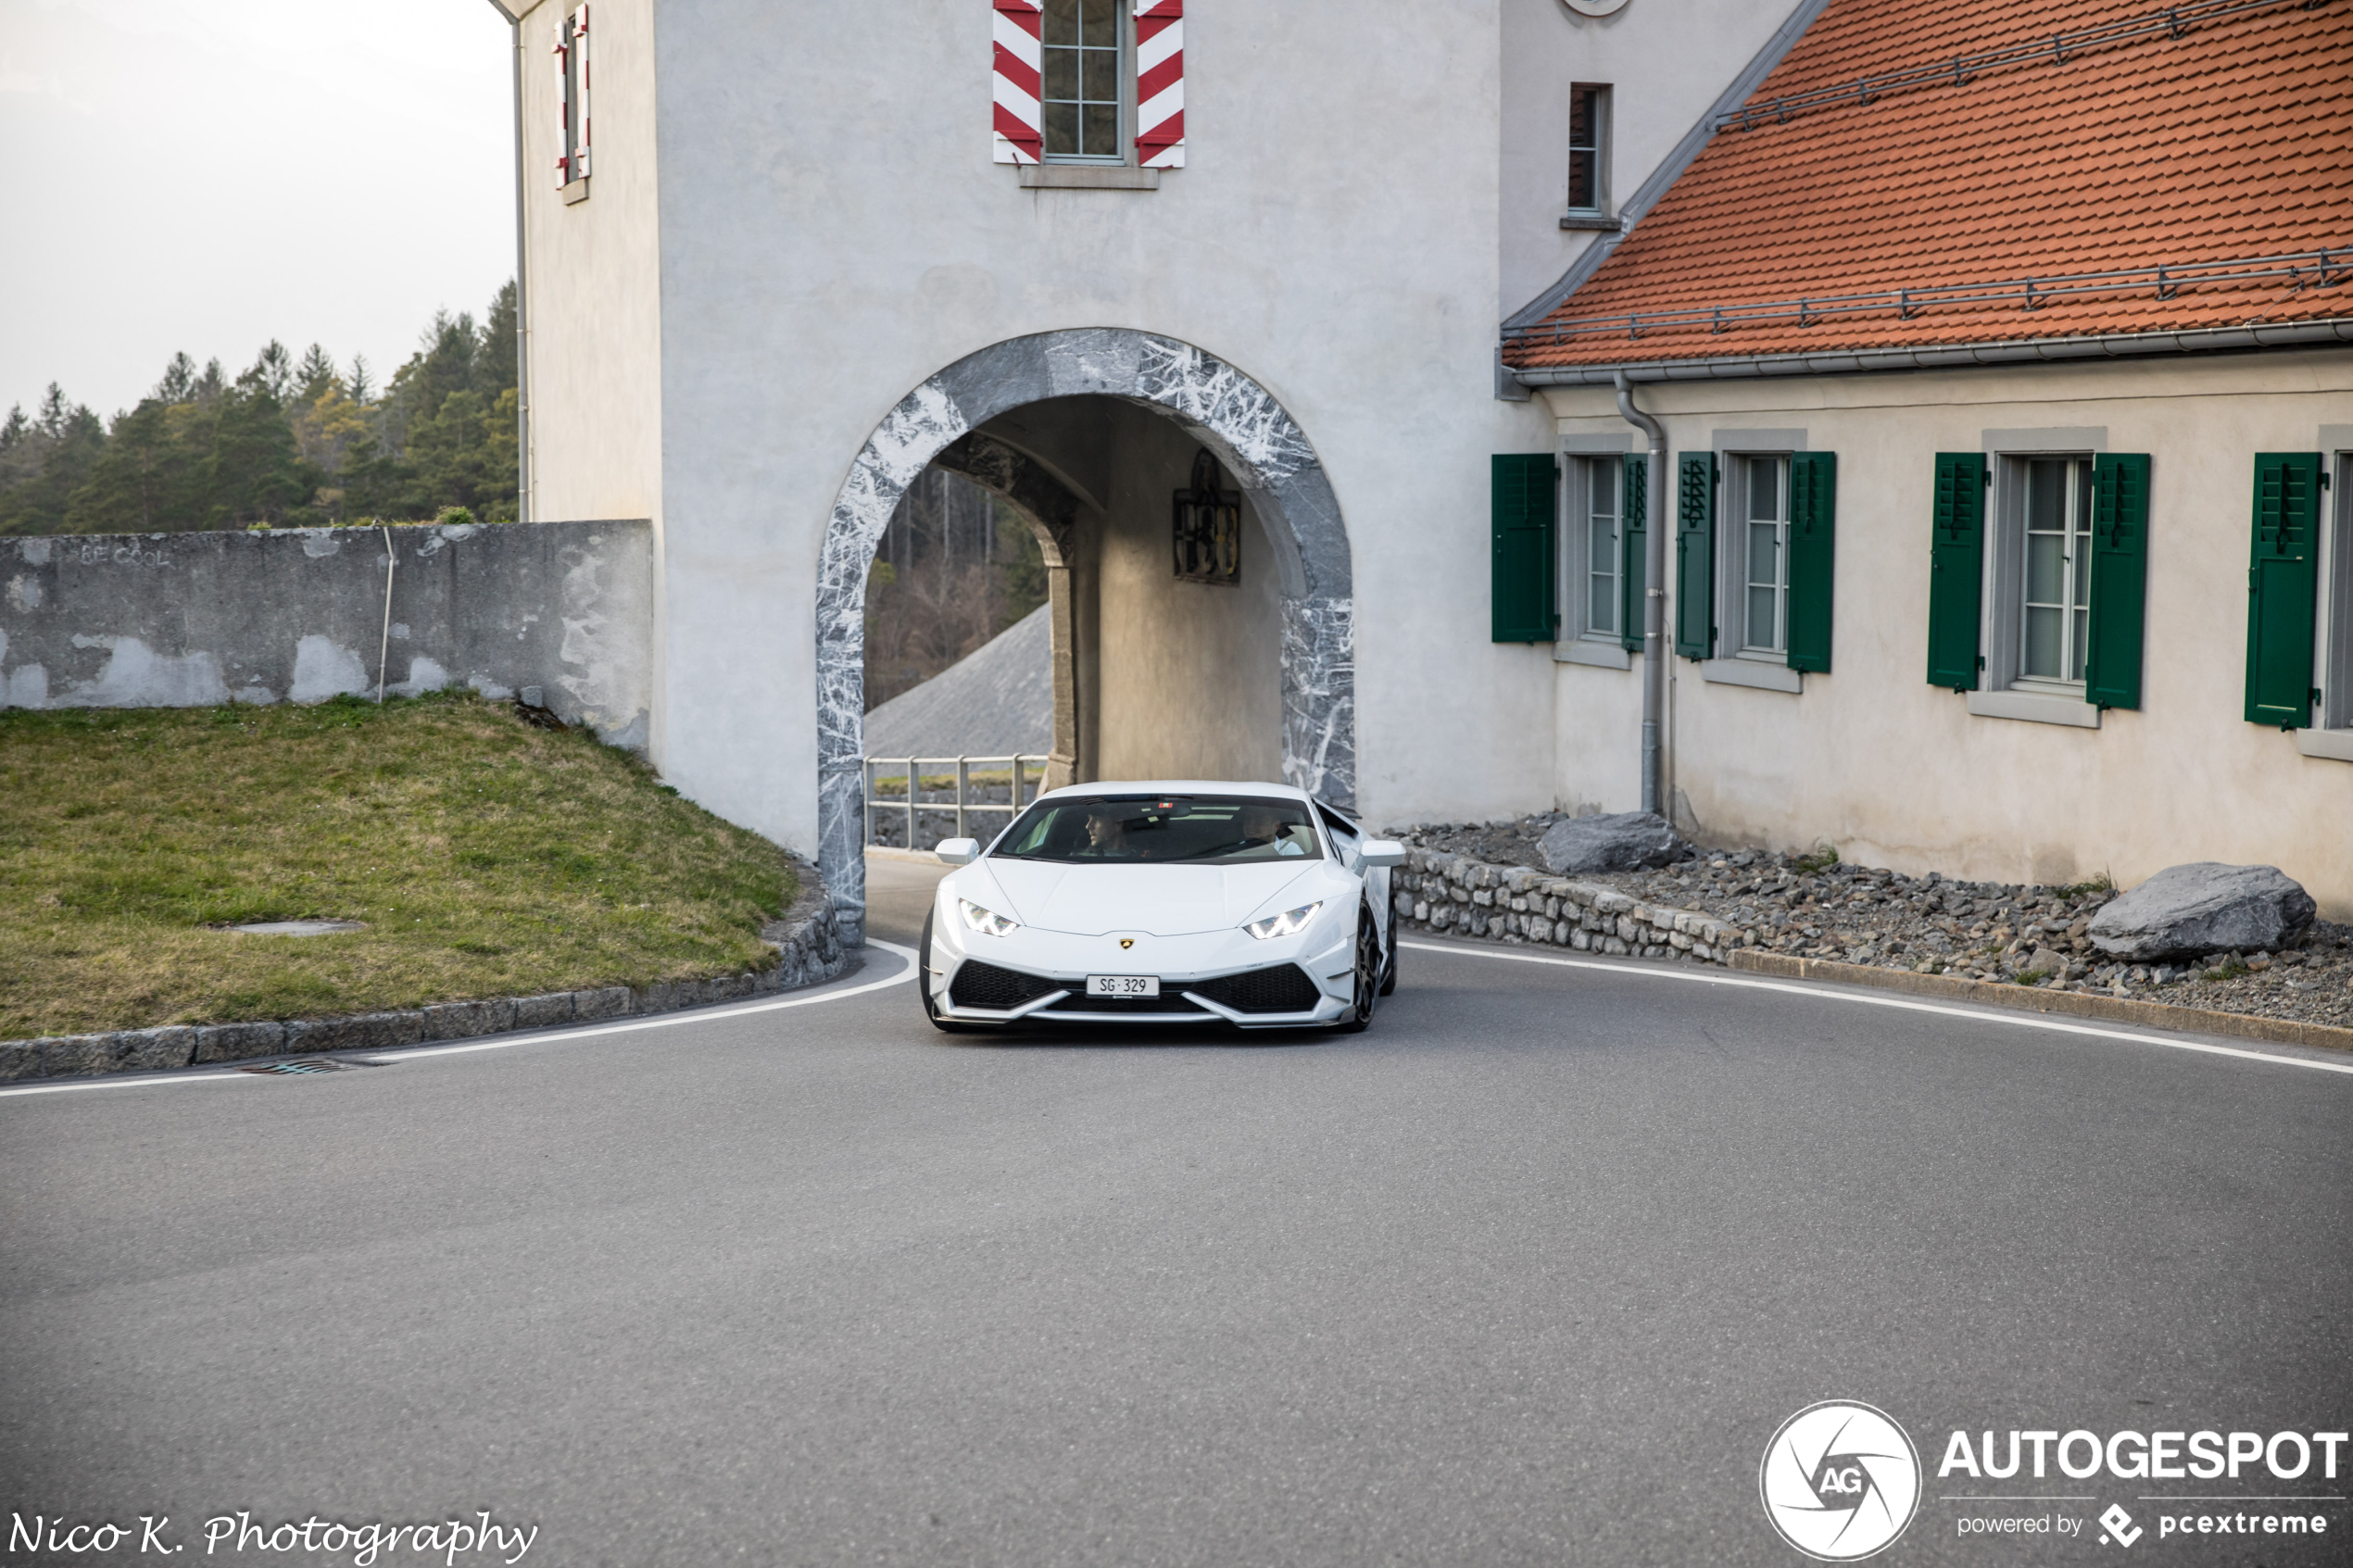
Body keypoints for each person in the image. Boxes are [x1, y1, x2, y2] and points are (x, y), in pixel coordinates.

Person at [1239, 805, 1305, 857]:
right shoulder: (1236, 849)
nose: (1251, 825)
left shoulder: (1289, 850)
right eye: (1248, 819)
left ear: (1276, 826)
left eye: (1259, 820)